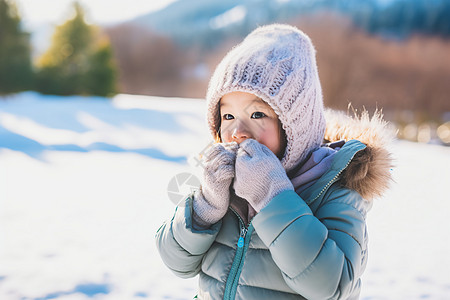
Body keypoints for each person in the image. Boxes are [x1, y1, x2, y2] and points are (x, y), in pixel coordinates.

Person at [156, 23, 393, 299]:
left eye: (257, 115)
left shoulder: (334, 187)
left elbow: (333, 286)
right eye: (228, 117)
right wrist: (204, 208)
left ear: (296, 125)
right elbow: (176, 263)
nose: (237, 132)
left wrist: (273, 197)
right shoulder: (222, 184)